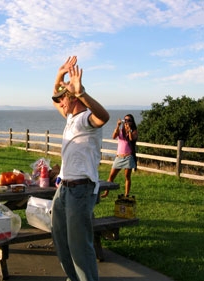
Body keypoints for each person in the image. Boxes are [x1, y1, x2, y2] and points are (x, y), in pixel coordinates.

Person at [50, 56, 109, 281]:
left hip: (81, 190)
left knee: (79, 248)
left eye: (63, 98)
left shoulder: (85, 118)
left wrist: (81, 91)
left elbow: (104, 116)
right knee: (61, 240)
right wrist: (59, 73)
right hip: (63, 189)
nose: (60, 103)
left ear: (72, 98)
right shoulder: (70, 118)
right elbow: (54, 98)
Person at [101, 114, 138, 198]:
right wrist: (117, 126)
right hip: (119, 157)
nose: (126, 122)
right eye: (125, 120)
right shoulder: (120, 130)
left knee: (127, 177)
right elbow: (113, 136)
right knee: (111, 176)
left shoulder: (134, 131)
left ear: (132, 122)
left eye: (129, 120)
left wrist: (129, 131)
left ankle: (126, 194)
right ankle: (106, 193)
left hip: (128, 157)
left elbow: (132, 139)